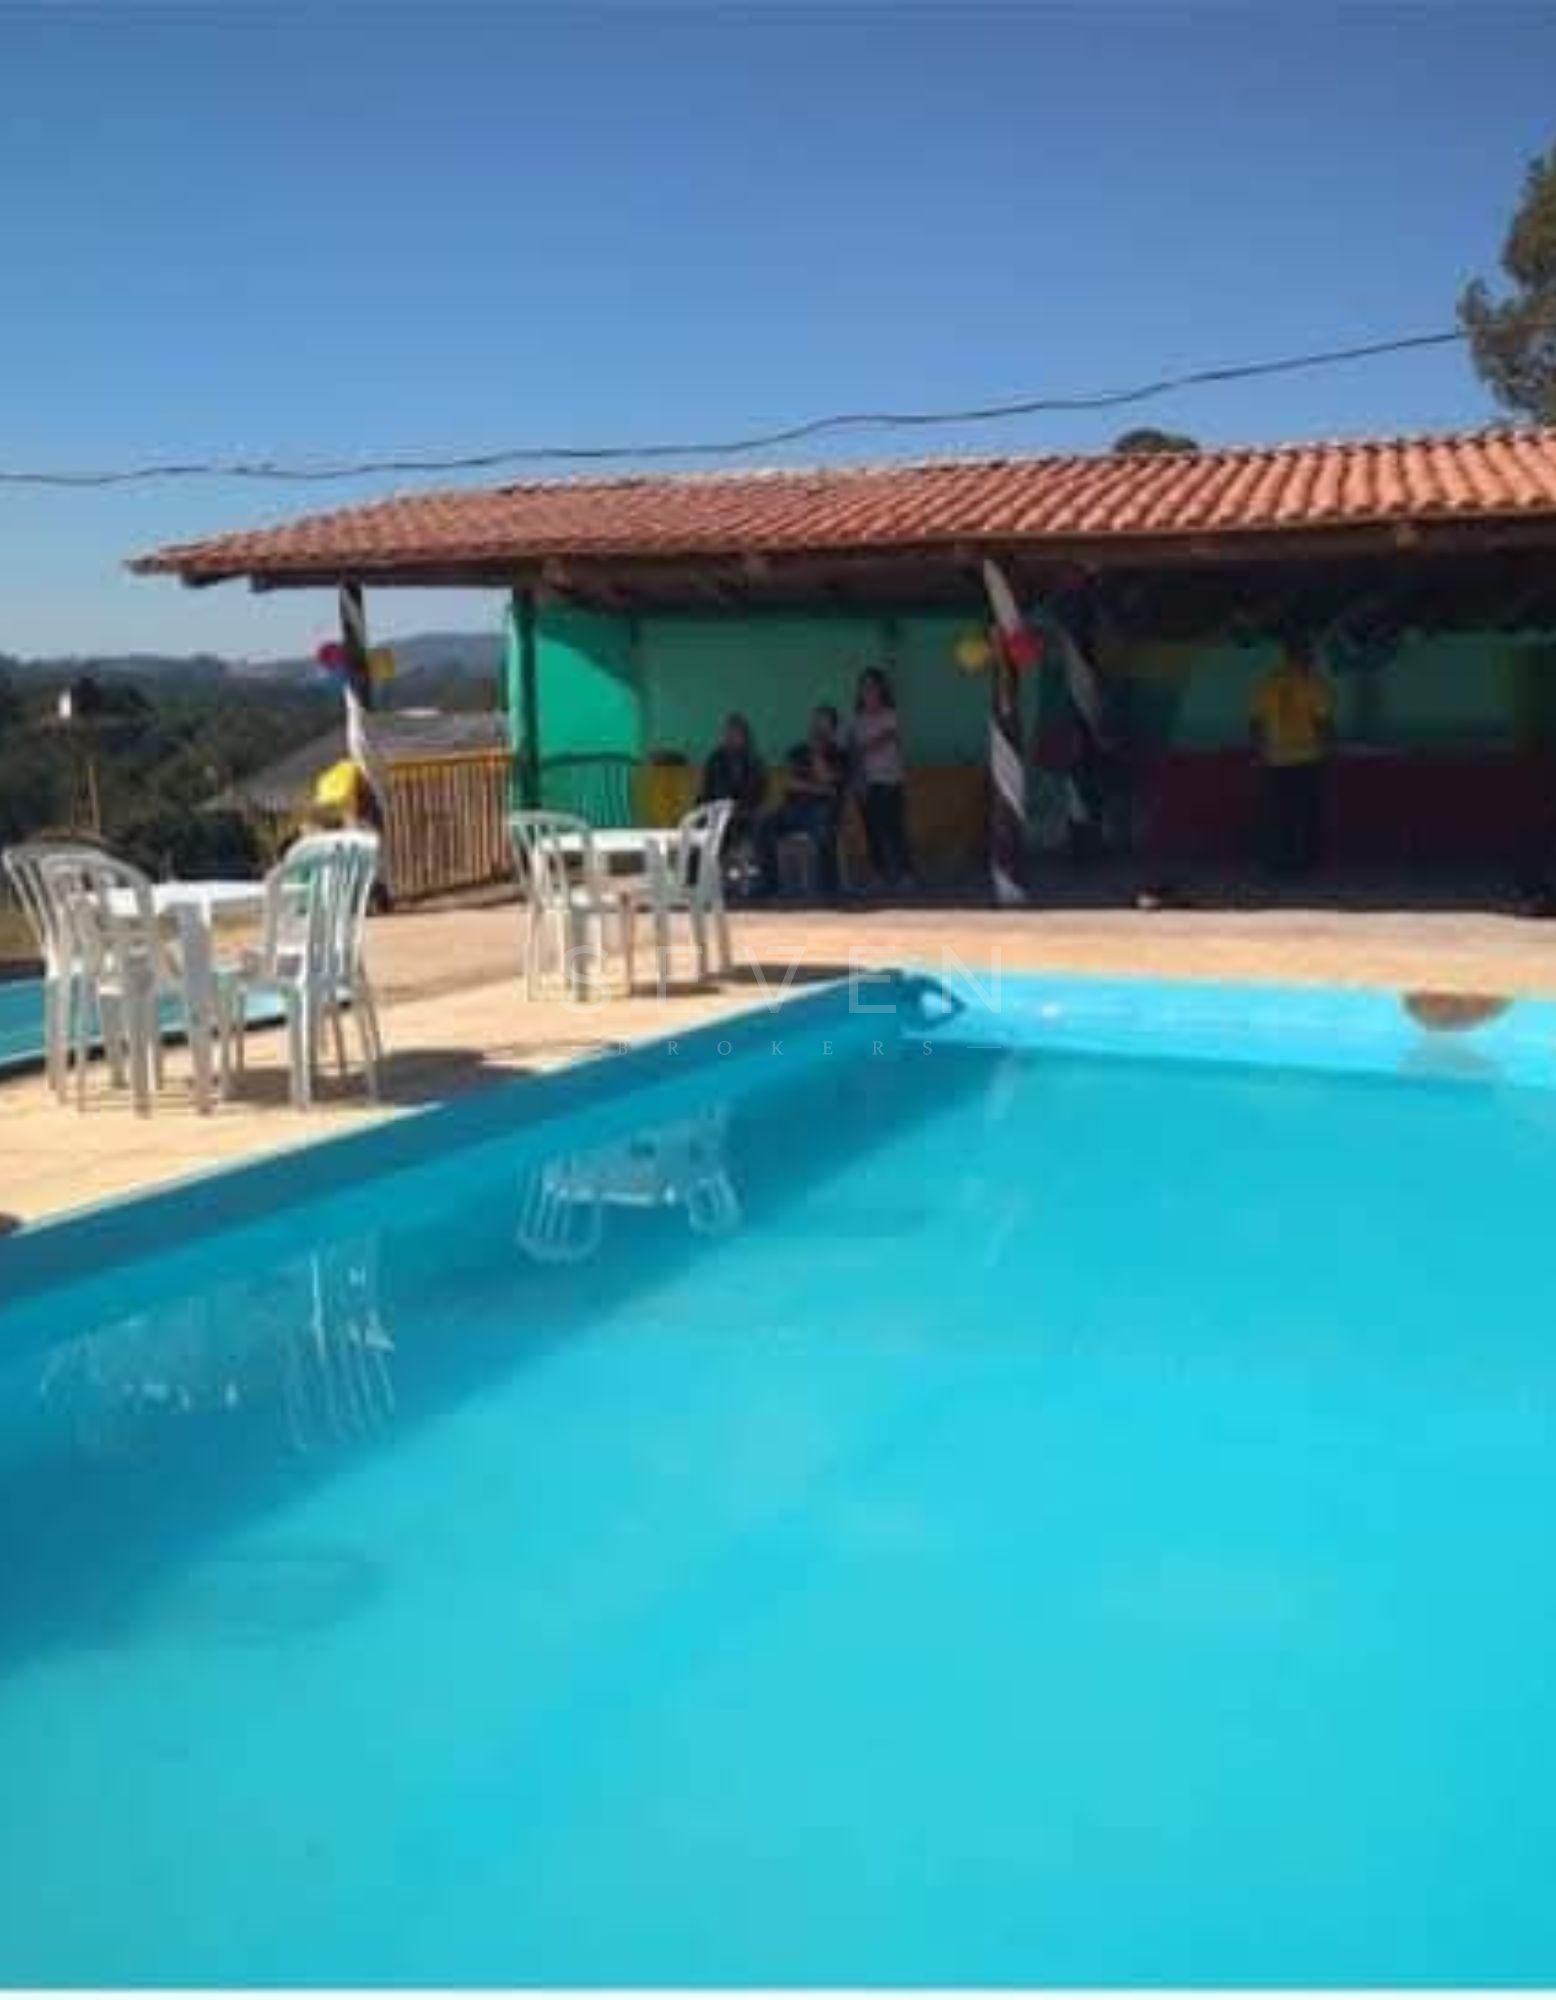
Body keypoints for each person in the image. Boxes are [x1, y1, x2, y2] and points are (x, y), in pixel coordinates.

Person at [1249, 633, 1335, 877]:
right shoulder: (1314, 683)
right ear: (1304, 654)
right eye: (1310, 653)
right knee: (1306, 813)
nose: (1313, 658)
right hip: (1307, 757)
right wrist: (1327, 751)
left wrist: (1259, 752)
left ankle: (1277, 862)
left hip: (1275, 758)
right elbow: (1322, 722)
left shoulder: (1268, 682)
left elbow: (1256, 722)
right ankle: (1305, 862)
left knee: (1277, 814)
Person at [756, 704, 850, 896]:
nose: (817, 728)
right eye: (815, 722)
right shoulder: (797, 752)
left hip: (823, 811)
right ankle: (769, 884)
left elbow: (830, 782)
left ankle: (827, 888)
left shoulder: (840, 755)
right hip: (793, 810)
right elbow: (789, 783)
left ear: (833, 729)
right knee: (764, 824)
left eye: (823, 723)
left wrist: (817, 754)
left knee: (824, 827)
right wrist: (819, 788)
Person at [850, 667, 914, 888]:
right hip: (867, 782)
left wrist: (861, 748)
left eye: (873, 686)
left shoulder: (890, 715)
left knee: (895, 829)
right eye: (864, 686)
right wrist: (858, 780)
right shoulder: (857, 720)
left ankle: (905, 874)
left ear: (881, 689)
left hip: (891, 781)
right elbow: (854, 753)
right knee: (872, 831)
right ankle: (880, 874)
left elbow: (885, 738)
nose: (868, 691)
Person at [699, 712, 767, 849]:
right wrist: (724, 807)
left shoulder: (754, 760)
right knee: (705, 820)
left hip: (747, 809)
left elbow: (758, 791)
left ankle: (743, 856)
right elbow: (711, 789)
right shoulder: (716, 759)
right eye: (727, 734)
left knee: (760, 820)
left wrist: (740, 808)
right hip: (717, 807)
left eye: (735, 734)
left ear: (745, 737)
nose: (730, 738)